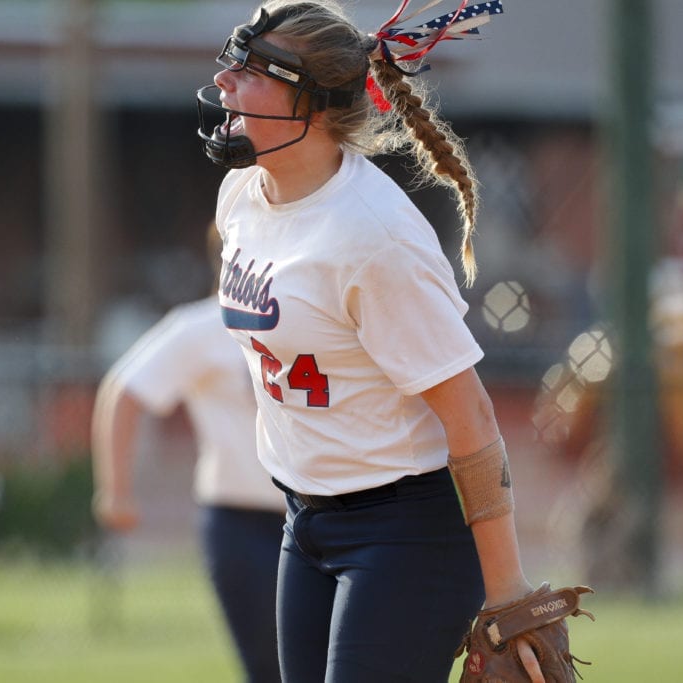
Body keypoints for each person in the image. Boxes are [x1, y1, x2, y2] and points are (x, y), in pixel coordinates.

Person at [194, 1, 580, 681]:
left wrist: (509, 590)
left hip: (407, 530)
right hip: (303, 519)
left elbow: (472, 417)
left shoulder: (373, 236)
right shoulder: (242, 196)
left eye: (251, 69)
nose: (225, 79)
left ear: (310, 103)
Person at [91, 223, 287, 683]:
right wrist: (115, 491)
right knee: (270, 666)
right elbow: (124, 392)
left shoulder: (317, 320)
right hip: (242, 521)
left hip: (323, 513)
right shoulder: (203, 327)